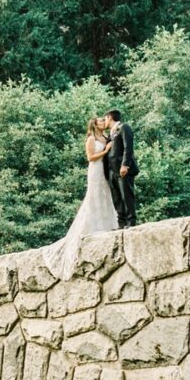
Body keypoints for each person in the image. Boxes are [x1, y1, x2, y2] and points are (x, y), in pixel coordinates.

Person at [47, 116, 121, 277]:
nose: (104, 122)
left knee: (105, 194)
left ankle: (107, 223)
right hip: (95, 168)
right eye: (101, 121)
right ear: (95, 124)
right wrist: (106, 150)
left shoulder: (105, 137)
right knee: (94, 196)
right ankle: (91, 226)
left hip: (104, 169)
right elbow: (90, 158)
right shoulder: (91, 139)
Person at [106, 108, 138, 229]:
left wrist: (125, 165)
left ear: (109, 117)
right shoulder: (111, 133)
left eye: (105, 118)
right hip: (111, 170)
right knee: (117, 197)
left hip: (122, 168)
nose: (105, 121)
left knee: (126, 195)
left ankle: (131, 222)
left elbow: (128, 147)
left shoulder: (124, 127)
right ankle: (121, 223)